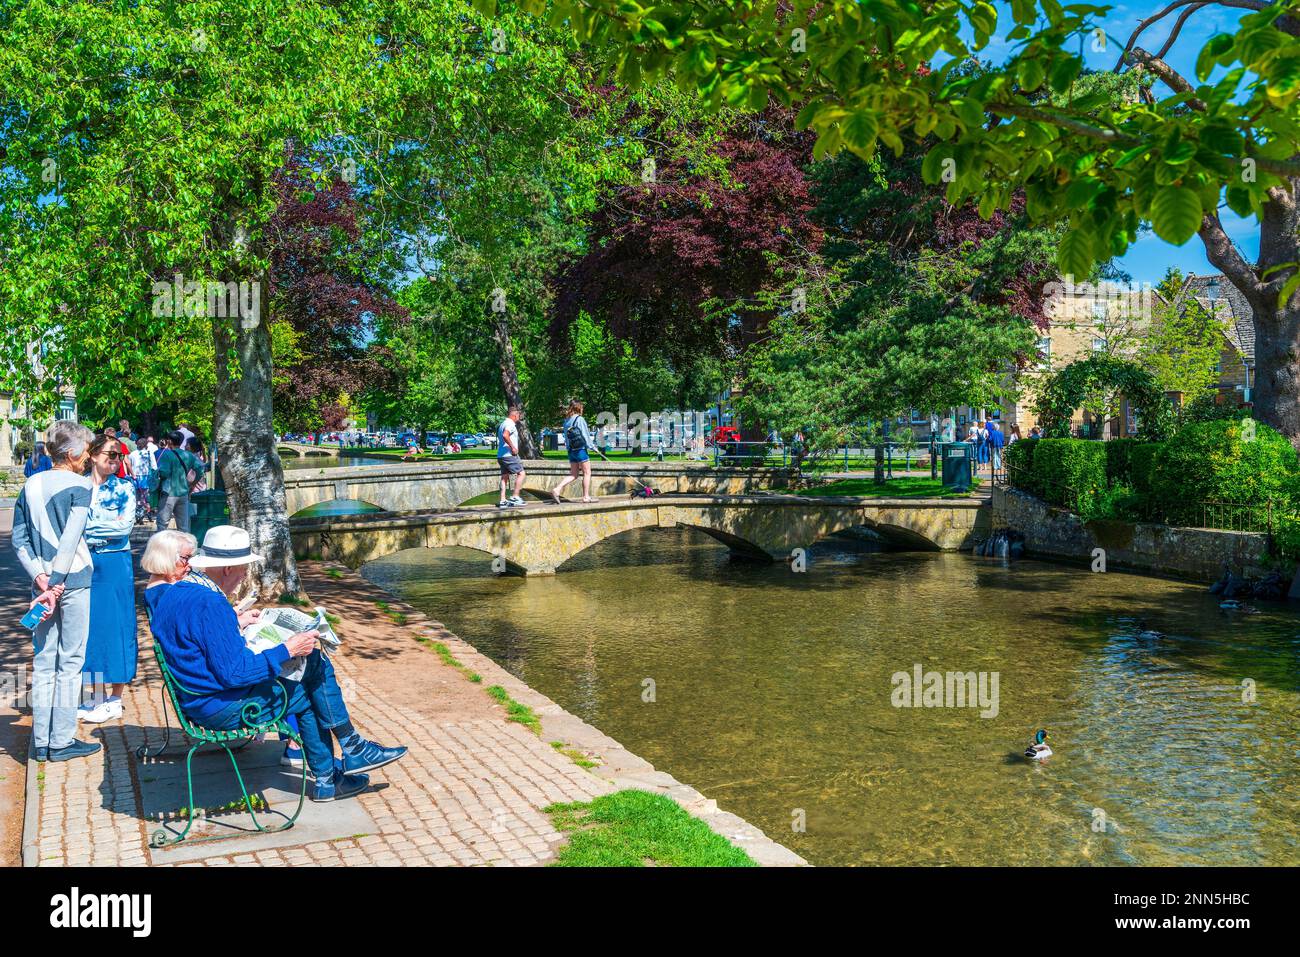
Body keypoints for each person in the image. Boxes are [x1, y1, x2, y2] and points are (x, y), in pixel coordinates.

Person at [144, 525, 408, 801]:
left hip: (199, 696)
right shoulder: (210, 603)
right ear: (228, 569)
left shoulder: (174, 592)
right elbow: (235, 673)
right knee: (308, 680)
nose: (245, 576)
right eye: (244, 569)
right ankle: (339, 764)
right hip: (218, 706)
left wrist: (240, 628)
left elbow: (201, 642)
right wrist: (286, 648)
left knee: (311, 665)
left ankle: (340, 764)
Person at [12, 421, 100, 762]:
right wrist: (57, 583)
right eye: (87, 451)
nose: (88, 458)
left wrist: (41, 578)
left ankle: (42, 741)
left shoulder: (31, 484)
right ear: (73, 453)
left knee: (44, 659)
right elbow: (71, 539)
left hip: (40, 583)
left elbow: (19, 540)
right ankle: (61, 740)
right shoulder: (81, 486)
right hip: (73, 580)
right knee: (72, 659)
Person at [79, 435, 138, 724]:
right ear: (91, 455)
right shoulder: (79, 488)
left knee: (117, 625)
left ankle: (115, 697)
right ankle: (97, 694)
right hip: (86, 562)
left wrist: (88, 528)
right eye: (109, 454)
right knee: (91, 627)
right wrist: (98, 528)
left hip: (114, 562)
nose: (114, 460)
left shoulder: (125, 488)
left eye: (118, 455)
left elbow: (124, 526)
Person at [154, 431, 202, 532]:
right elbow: (200, 470)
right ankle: (185, 547)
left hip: (169, 494)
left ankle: (161, 547)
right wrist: (193, 484)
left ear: (169, 441)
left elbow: (164, 473)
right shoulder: (188, 455)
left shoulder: (167, 455)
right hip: (183, 493)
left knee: (162, 524)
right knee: (183, 526)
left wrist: (157, 473)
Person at [551, 400, 595, 504]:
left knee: (574, 474)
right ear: (579, 408)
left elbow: (566, 437)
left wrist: (569, 449)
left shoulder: (567, 420)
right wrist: (592, 446)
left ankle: (557, 489)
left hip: (571, 451)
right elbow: (584, 434)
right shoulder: (580, 419)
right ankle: (585, 497)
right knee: (587, 472)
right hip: (580, 450)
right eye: (582, 407)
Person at [497, 405, 526, 508]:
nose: (519, 416)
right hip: (509, 455)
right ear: (514, 415)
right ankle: (515, 496)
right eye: (518, 414)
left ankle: (503, 500)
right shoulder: (510, 424)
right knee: (521, 473)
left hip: (501, 455)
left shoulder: (502, 424)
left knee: (504, 477)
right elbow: (505, 435)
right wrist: (513, 447)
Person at [127, 437, 153, 518]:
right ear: (146, 445)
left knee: (136, 496)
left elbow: (129, 465)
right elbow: (154, 467)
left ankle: (138, 512)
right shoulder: (149, 453)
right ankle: (144, 512)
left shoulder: (132, 454)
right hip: (146, 477)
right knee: (144, 496)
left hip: (134, 477)